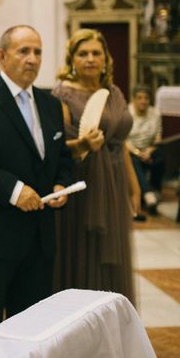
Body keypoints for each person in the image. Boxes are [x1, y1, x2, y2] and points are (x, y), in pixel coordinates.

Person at [0, 25, 72, 329]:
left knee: (32, 327)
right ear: (1, 55)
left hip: (38, 240)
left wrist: (60, 183)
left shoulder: (51, 105)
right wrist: (14, 189)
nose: (32, 59)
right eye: (24, 51)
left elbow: (62, 157)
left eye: (38, 52)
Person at [51, 28, 139, 304]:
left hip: (114, 180)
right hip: (83, 181)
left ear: (105, 58)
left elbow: (120, 144)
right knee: (84, 251)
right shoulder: (61, 96)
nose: (90, 59)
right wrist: (83, 145)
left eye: (96, 53)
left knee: (114, 254)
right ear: (72, 59)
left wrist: (133, 186)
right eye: (83, 53)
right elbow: (55, 151)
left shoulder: (114, 93)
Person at [127, 84, 164, 216]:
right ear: (133, 99)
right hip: (130, 150)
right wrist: (138, 152)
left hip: (149, 149)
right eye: (139, 98)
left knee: (161, 158)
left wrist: (149, 151)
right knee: (133, 161)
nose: (143, 101)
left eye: (146, 98)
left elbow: (158, 137)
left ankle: (155, 192)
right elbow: (123, 140)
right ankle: (148, 194)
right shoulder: (126, 113)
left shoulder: (156, 113)